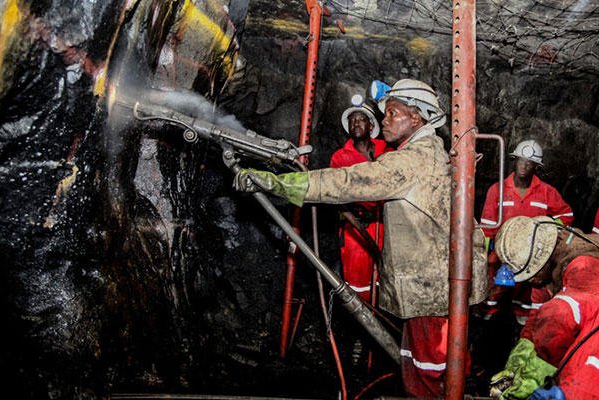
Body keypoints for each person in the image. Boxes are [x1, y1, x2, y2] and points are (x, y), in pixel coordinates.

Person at [233, 79, 488, 397]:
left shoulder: (411, 161)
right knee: (423, 368)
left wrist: (278, 184)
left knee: (431, 376)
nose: (385, 120)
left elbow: (348, 182)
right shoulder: (432, 153)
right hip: (434, 288)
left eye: (392, 112)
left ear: (417, 117)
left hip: (431, 291)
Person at [489, 215, 599, 399]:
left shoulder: (584, 269)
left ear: (542, 258)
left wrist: (533, 378)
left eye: (530, 274)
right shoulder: (549, 265)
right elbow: (537, 319)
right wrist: (518, 362)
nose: (531, 280)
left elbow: (558, 320)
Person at [479, 140, 574, 324]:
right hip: (502, 252)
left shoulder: (546, 192)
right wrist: (484, 255)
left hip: (531, 254)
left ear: (536, 167)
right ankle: (485, 317)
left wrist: (547, 229)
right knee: (493, 287)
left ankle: (522, 321)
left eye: (529, 162)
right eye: (520, 160)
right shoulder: (497, 190)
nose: (524, 165)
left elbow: (567, 215)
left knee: (525, 290)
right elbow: (487, 226)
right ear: (514, 161)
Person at [331, 94, 390, 302]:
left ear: (371, 124)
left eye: (361, 118)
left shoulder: (386, 149)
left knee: (387, 281)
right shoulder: (340, 157)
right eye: (351, 120)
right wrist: (362, 233)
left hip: (387, 227)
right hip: (355, 229)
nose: (355, 123)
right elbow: (337, 199)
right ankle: (361, 328)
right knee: (358, 286)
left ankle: (387, 324)